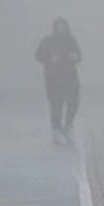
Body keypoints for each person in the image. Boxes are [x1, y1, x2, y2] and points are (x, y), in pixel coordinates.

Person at [35, 17, 82, 145]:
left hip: (70, 77)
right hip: (53, 78)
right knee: (56, 105)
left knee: (73, 102)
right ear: (54, 27)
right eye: (59, 26)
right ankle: (56, 129)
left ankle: (68, 125)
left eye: (64, 26)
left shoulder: (71, 40)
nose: (61, 29)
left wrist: (75, 57)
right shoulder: (47, 41)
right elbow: (38, 55)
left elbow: (79, 55)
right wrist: (50, 59)